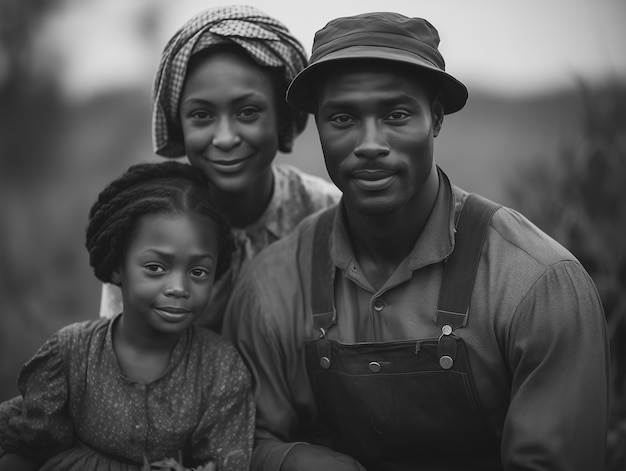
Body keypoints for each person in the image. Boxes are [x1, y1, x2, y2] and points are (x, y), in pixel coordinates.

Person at [222, 12, 610, 471]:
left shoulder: (539, 284)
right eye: (343, 117)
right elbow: (238, 441)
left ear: (437, 119)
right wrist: (291, 460)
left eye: (396, 114)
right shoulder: (270, 287)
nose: (369, 143)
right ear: (318, 126)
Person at [99, 4, 341, 332]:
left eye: (248, 112)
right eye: (202, 115)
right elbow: (121, 359)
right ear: (178, 125)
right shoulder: (146, 226)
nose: (225, 138)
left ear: (282, 118)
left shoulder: (327, 213)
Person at [0, 161, 254, 471]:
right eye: (155, 268)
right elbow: (26, 449)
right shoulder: (71, 352)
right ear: (118, 267)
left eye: (198, 271)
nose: (178, 288)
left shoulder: (220, 368)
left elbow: (227, 462)